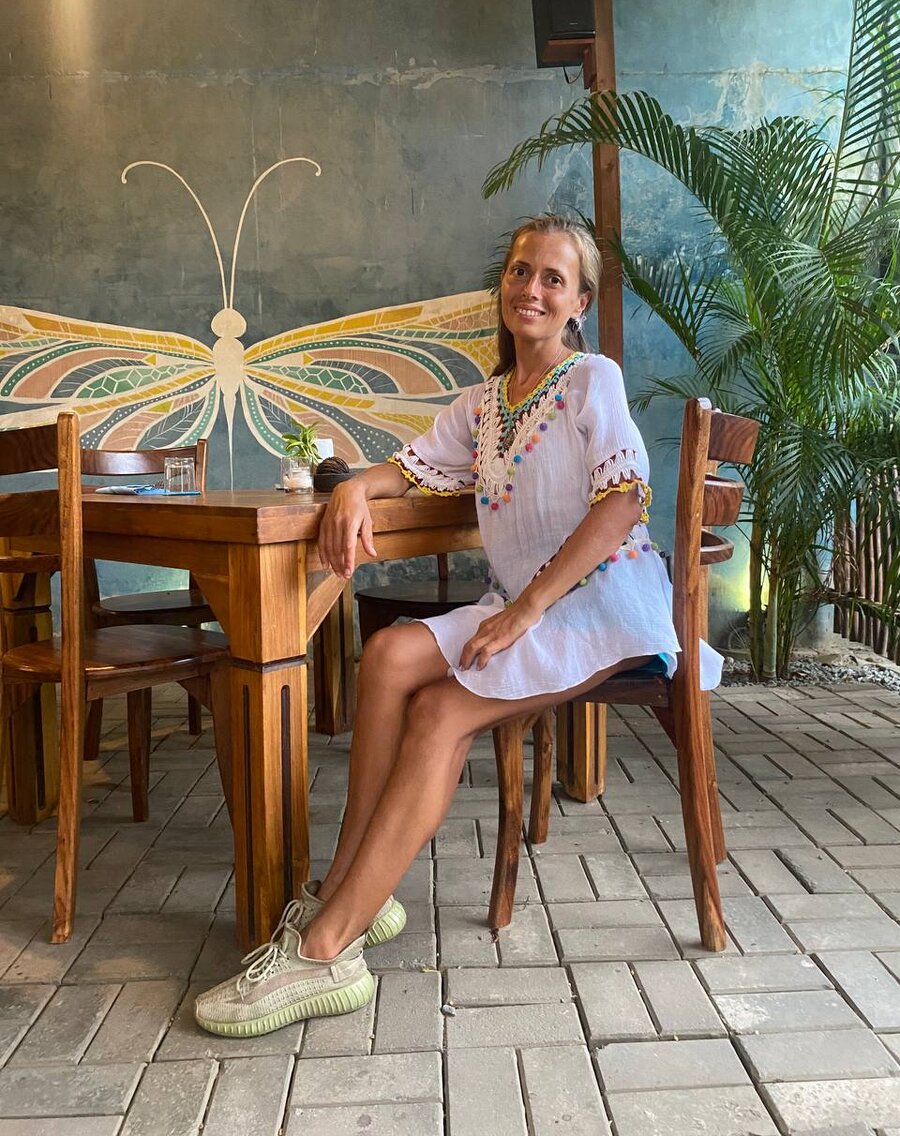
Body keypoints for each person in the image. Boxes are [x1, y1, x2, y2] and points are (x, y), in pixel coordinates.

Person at [194, 214, 722, 1038]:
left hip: (600, 606)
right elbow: (405, 470)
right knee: (387, 654)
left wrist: (525, 609)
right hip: (517, 604)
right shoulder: (483, 404)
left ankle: (327, 950)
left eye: (553, 278)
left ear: (579, 302)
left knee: (441, 712)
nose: (532, 288)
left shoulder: (593, 379)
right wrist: (351, 487)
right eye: (520, 271)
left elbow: (622, 503)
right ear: (503, 286)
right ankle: (348, 892)